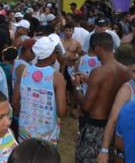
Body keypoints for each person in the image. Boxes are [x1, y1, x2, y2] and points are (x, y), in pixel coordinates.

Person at [73, 33, 130, 162]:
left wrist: (76, 87)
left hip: (95, 129)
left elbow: (86, 106)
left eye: (93, 49)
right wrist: (89, 81)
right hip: (114, 128)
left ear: (98, 48)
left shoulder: (98, 72)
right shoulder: (125, 71)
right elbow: (109, 89)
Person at [12, 36, 67, 147]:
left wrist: (23, 115)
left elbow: (14, 102)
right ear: (52, 55)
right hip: (47, 136)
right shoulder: (57, 77)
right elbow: (61, 112)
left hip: (25, 133)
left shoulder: (23, 71)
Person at [96, 44, 135, 163]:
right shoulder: (128, 88)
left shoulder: (127, 89)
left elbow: (113, 121)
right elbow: (112, 120)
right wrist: (104, 150)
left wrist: (104, 150)